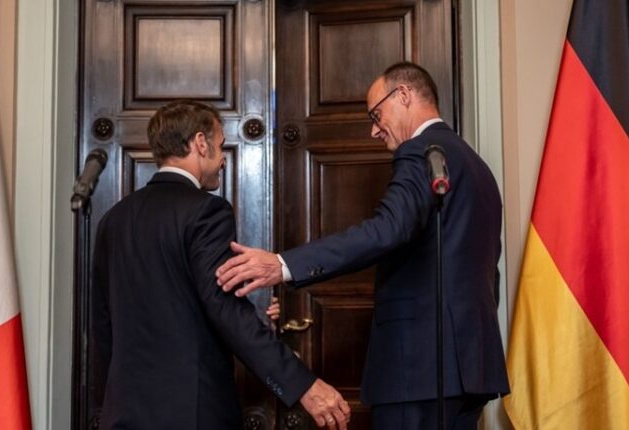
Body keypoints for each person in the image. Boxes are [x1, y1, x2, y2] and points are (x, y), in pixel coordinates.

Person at [216, 62, 509, 429]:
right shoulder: (476, 165)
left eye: (376, 114)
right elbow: (488, 270)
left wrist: (283, 265)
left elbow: (387, 229)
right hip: (472, 366)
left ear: (403, 95)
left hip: (418, 369)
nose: (374, 130)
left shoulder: (421, 151)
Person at [91, 99, 351, 430]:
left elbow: (103, 325)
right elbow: (225, 310)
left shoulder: (113, 219)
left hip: (123, 412)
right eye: (221, 145)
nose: (223, 159)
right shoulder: (206, 211)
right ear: (201, 143)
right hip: (192, 411)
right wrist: (303, 386)